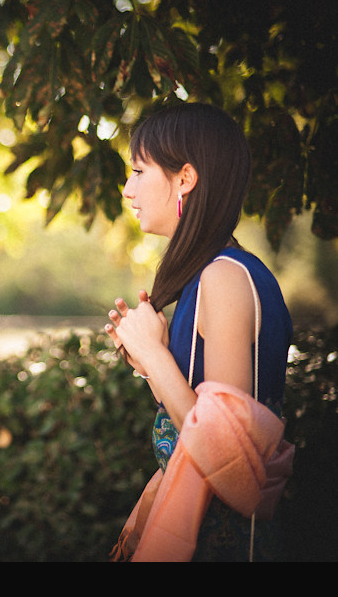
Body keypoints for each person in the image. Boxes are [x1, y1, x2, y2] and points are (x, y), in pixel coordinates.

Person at [106, 103, 295, 562]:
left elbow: (228, 454)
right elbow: (193, 415)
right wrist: (149, 361)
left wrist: (155, 356)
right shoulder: (207, 275)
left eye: (137, 171)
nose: (128, 189)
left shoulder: (225, 277)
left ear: (185, 179)